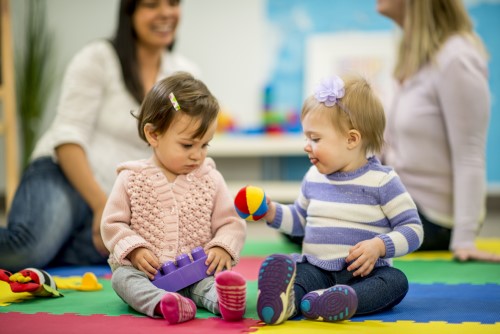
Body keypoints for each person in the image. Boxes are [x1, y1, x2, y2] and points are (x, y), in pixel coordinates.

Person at [0, 0, 201, 271]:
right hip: (65, 177)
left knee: (149, 254)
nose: (166, 12)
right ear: (129, 12)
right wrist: (102, 206)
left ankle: (63, 240)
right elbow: (67, 137)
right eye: (152, 5)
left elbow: (183, 146)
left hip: (120, 199)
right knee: (26, 252)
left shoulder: (182, 76)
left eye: (173, 3)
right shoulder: (98, 58)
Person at [255, 74, 423, 325]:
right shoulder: (314, 177)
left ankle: (340, 301)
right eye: (306, 137)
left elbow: (414, 229)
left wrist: (379, 246)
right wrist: (270, 212)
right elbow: (300, 220)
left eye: (315, 138)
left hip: (364, 274)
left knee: (395, 282)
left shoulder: (382, 181)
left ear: (351, 139)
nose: (306, 146)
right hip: (316, 268)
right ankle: (287, 302)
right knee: (299, 276)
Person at [101, 72, 247, 324]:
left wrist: (222, 246)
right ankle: (162, 304)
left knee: (207, 284)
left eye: (205, 145)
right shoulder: (130, 178)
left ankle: (225, 301)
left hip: (196, 271)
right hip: (144, 274)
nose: (197, 155)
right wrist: (134, 250)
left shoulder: (210, 179)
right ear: (154, 135)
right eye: (188, 145)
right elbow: (113, 224)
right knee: (121, 280)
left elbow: (231, 222)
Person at [377, 0, 500, 262]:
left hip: (434, 218)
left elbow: (469, 153)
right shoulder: (414, 56)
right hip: (403, 198)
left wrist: (465, 239)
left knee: (320, 227)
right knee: (313, 213)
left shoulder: (457, 58)